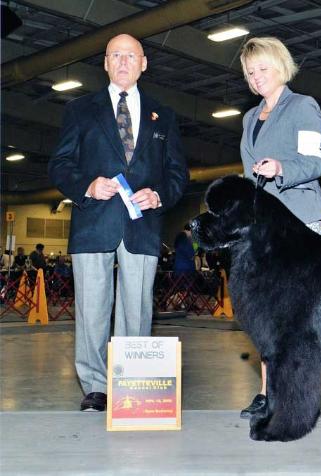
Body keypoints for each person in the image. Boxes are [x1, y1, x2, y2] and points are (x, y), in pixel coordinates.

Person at [48, 34, 188, 412]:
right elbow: (59, 165)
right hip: (93, 222)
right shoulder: (79, 109)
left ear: (144, 63)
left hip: (142, 226)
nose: (123, 62)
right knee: (92, 310)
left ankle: (133, 383)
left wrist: (159, 195)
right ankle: (95, 386)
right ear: (105, 63)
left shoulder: (165, 114)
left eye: (131, 55)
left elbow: (178, 174)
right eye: (115, 55)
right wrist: (87, 186)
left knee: (137, 309)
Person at [238, 37, 321, 419]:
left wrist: (281, 169)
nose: (257, 78)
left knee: (297, 318)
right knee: (268, 315)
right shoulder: (248, 118)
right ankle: (267, 392)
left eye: (263, 69)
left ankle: (294, 396)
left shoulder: (303, 106)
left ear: (281, 66)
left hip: (300, 224)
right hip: (264, 231)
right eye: (250, 72)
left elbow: (314, 163)